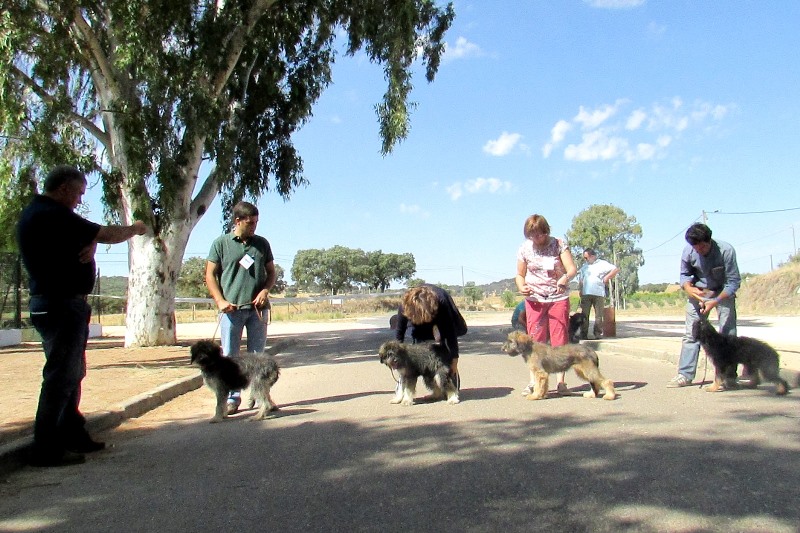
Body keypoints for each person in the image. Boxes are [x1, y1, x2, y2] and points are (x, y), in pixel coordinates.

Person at [16, 165, 147, 467]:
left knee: (72, 374)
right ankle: (46, 447)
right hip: (59, 305)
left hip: (62, 304)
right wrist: (135, 228)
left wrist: (89, 243)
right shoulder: (51, 213)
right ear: (63, 188)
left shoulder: (44, 215)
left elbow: (82, 239)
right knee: (61, 377)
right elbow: (106, 234)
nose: (78, 200)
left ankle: (72, 432)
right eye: (78, 193)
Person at [205, 201, 276, 414]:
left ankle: (261, 396)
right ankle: (232, 399)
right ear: (237, 221)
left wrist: (265, 291)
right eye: (250, 223)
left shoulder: (262, 244)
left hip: (257, 311)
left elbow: (271, 272)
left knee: (258, 357)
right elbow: (210, 275)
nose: (254, 226)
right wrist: (220, 301)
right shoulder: (220, 244)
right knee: (230, 356)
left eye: (256, 222)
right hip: (231, 312)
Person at [668, 223, 741, 388]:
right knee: (690, 334)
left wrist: (715, 301)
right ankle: (684, 375)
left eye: (702, 247)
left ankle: (728, 376)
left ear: (709, 241)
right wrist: (689, 289)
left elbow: (733, 282)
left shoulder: (726, 251)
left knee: (728, 334)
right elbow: (684, 276)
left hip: (723, 293)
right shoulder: (688, 251)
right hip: (699, 293)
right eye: (695, 247)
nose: (699, 250)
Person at [515, 214, 577, 395]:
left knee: (559, 340)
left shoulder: (558, 244)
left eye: (539, 235)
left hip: (557, 298)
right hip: (535, 300)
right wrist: (521, 286)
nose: (536, 239)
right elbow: (519, 274)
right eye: (531, 236)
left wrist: (565, 278)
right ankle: (535, 382)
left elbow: (572, 269)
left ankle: (561, 383)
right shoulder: (524, 249)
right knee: (535, 341)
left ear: (546, 231)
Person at [394, 284, 467, 389]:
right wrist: (399, 361)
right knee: (420, 354)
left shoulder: (441, 301)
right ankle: (407, 382)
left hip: (439, 320)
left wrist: (454, 361)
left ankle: (447, 374)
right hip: (418, 328)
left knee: (444, 353)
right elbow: (399, 333)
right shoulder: (404, 306)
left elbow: (450, 333)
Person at [577, 249, 620, 339]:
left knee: (599, 315)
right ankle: (583, 334)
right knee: (584, 315)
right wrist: (580, 290)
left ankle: (597, 333)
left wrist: (607, 277)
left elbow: (615, 269)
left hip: (598, 293)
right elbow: (581, 280)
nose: (585, 260)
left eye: (586, 257)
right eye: (584, 258)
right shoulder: (585, 267)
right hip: (586, 294)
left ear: (593, 256)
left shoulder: (602, 264)